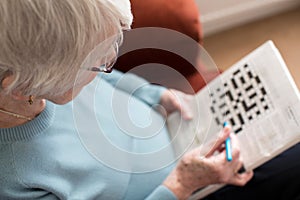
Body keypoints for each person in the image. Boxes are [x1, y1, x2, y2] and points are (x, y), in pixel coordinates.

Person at [0, 1, 299, 200]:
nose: (108, 63)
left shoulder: (46, 79)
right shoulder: (17, 180)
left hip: (179, 134)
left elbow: (107, 79)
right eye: (94, 63)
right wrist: (181, 185)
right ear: (19, 87)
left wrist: (153, 94)